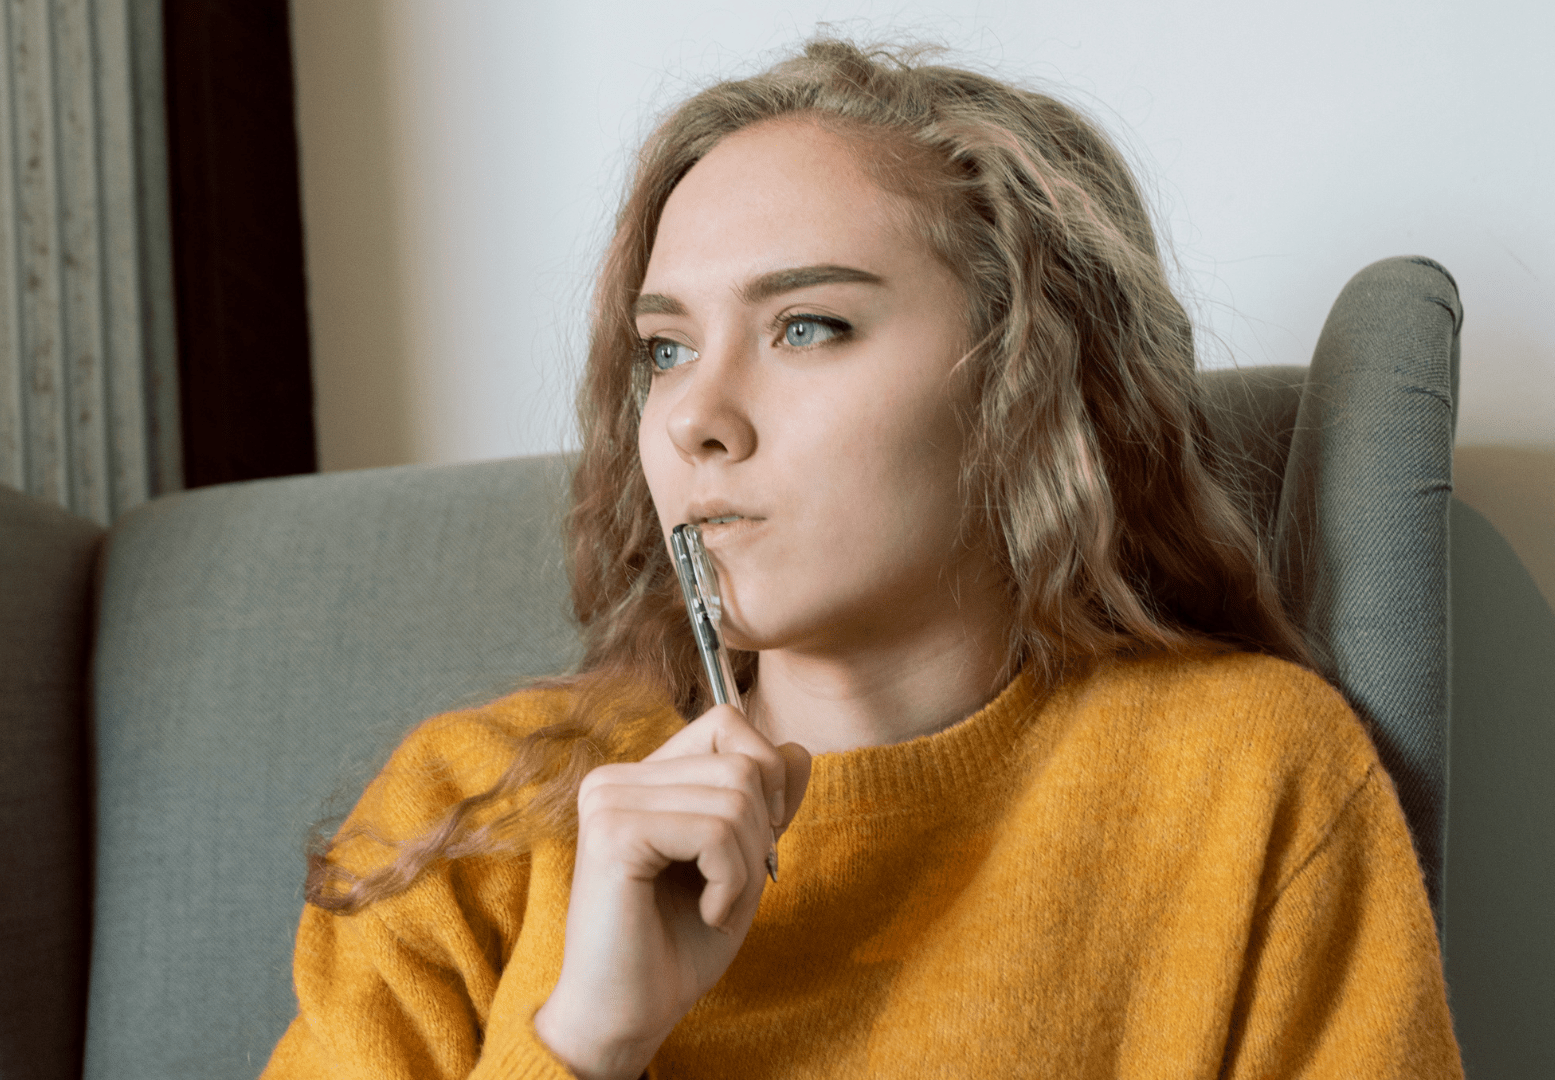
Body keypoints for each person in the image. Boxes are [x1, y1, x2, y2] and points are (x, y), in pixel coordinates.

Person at [261, 38, 1463, 1080]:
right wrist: (583, 1038)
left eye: (806, 326)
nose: (693, 420)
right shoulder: (465, 819)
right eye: (666, 351)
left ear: (1026, 382)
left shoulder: (1248, 777)